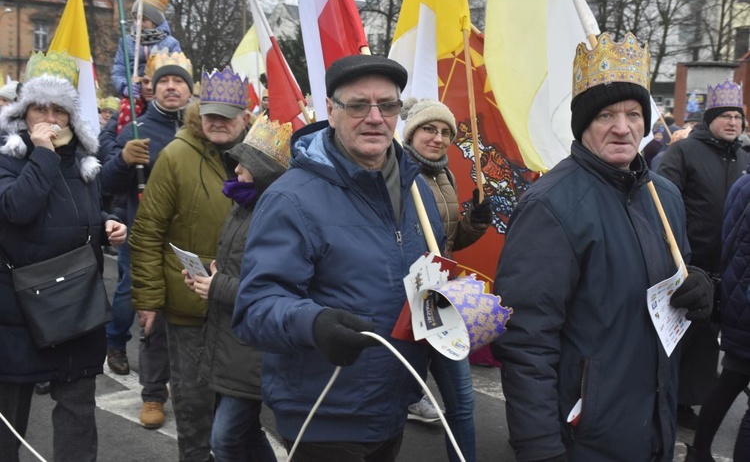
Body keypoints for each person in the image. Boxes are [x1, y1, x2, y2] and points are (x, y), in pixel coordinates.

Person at [491, 32, 714, 461]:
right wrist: (539, 448)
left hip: (653, 422)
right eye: (605, 114)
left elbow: (676, 282)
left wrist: (702, 288)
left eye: (633, 113)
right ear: (583, 124)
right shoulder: (551, 206)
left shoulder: (663, 195)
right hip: (585, 434)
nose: (622, 127)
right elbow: (526, 342)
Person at [232, 54, 444, 461]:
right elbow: (255, 307)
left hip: (392, 403)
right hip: (324, 413)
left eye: (387, 105)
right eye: (358, 105)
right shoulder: (290, 198)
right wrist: (314, 322)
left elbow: (427, 280)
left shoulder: (418, 193)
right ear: (330, 110)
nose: (375, 117)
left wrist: (458, 309)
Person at [0, 50, 126, 461]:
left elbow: (75, 212)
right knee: (10, 420)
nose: (49, 117)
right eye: (40, 107)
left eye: (59, 109)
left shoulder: (85, 161)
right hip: (18, 312)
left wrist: (106, 224)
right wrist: (42, 155)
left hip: (76, 308)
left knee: (76, 415)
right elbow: (17, 209)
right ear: (25, 111)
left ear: (71, 115)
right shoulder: (6, 155)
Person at [130, 66, 249, 461]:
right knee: (193, 402)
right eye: (211, 113)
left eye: (227, 114)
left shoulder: (259, 158)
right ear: (199, 112)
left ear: (245, 117)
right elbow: (147, 232)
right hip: (189, 307)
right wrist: (147, 300)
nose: (218, 122)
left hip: (239, 303)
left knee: (237, 409)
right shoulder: (176, 156)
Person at [184, 115, 289, 462]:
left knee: (226, 439)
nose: (237, 169)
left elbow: (271, 290)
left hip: (251, 348)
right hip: (230, 340)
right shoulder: (243, 204)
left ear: (262, 171)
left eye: (245, 163)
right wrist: (208, 278)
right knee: (244, 432)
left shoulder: (273, 215)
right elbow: (235, 265)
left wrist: (218, 287)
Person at [100, 51, 193, 428]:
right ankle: (152, 392)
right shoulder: (137, 128)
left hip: (190, 241)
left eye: (179, 81)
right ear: (153, 89)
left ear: (190, 90)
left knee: (190, 314)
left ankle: (184, 385)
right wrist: (123, 159)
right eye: (165, 82)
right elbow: (106, 184)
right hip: (147, 238)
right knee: (147, 310)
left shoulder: (203, 127)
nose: (171, 87)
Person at [399, 97, 491, 461]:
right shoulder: (394, 173)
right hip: (404, 302)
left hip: (441, 301)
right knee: (389, 403)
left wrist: (477, 221)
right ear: (411, 132)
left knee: (462, 403)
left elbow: (448, 243)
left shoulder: (445, 174)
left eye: (444, 132)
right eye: (428, 129)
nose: (437, 139)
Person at [658, 80, 750, 429]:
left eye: (737, 117)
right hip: (687, 261)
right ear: (710, 118)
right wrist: (677, 251)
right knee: (679, 334)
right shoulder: (683, 152)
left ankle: (684, 402)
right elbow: (666, 201)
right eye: (725, 116)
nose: (732, 122)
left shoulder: (743, 157)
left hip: (725, 268)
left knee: (706, 342)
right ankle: (663, 397)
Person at [684, 164, 750, 461]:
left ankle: (699, 452)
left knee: (731, 380)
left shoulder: (743, 180)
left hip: (739, 299)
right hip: (743, 300)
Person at [111, 0, 181, 98]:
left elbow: (177, 73)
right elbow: (119, 70)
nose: (137, 23)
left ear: (155, 22)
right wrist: (125, 87)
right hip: (133, 97)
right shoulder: (126, 42)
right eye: (135, 18)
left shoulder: (171, 44)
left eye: (143, 19)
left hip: (160, 96)